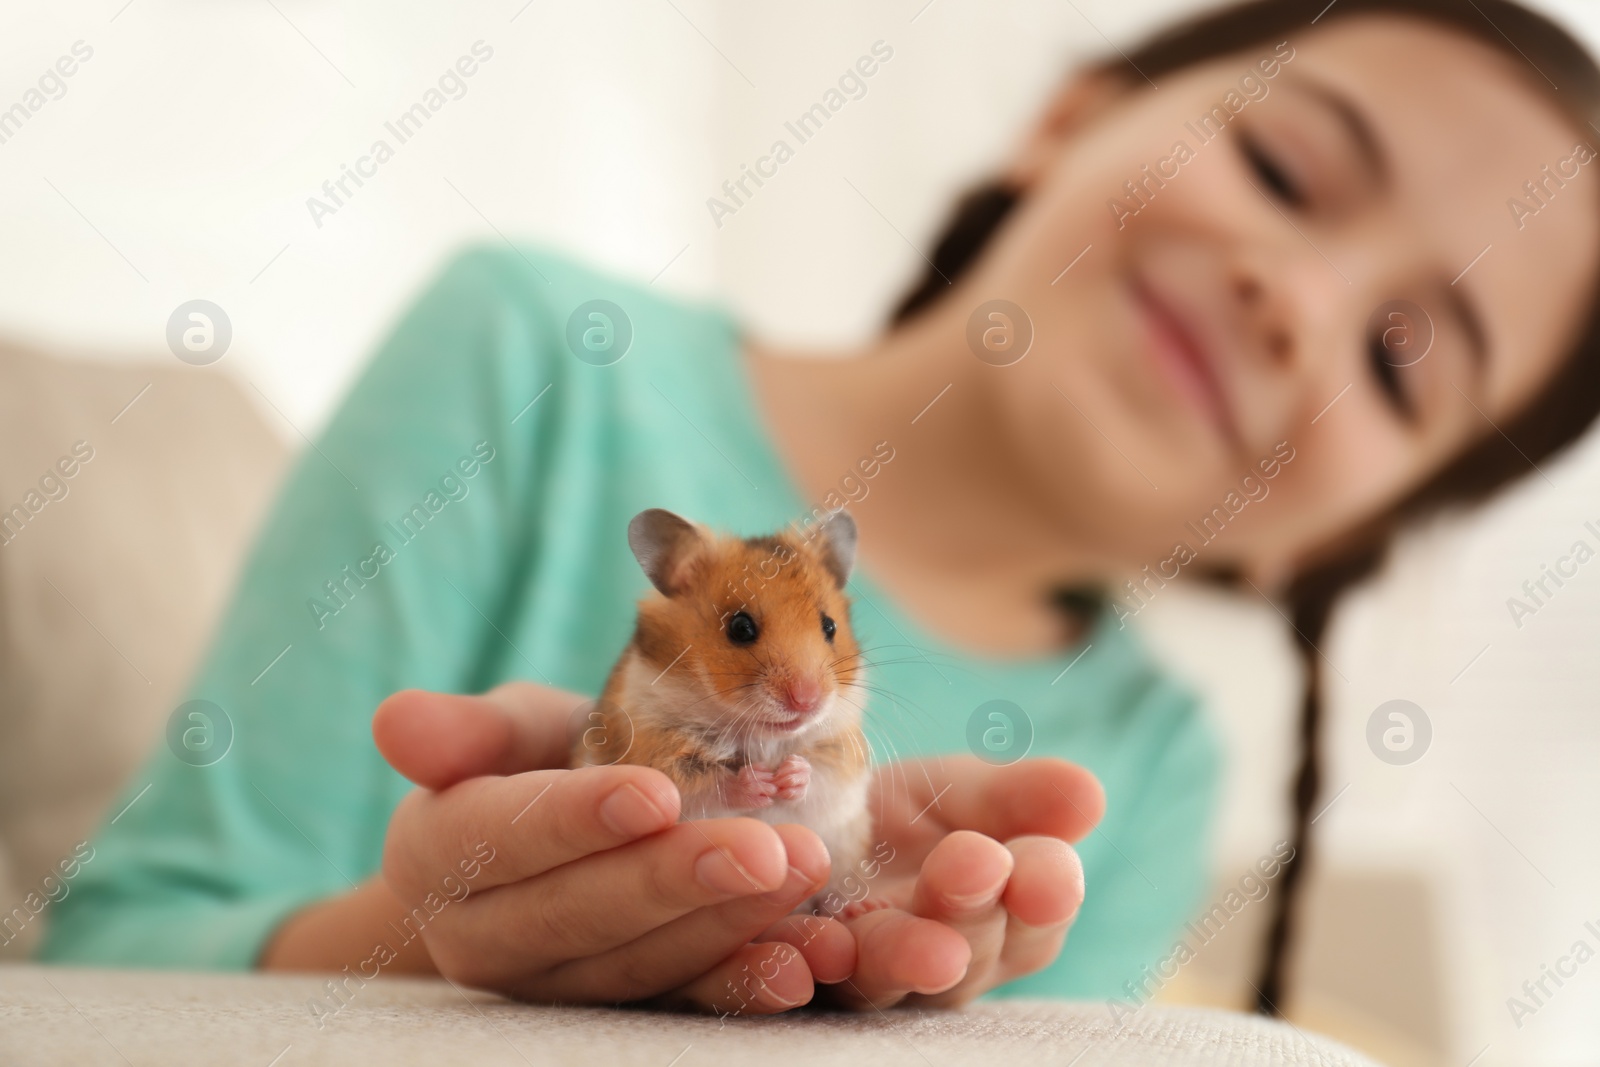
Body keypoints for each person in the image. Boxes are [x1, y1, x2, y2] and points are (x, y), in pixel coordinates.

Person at [40, 0, 1600, 1018]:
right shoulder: (534, 355)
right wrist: (433, 924)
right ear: (1074, 111)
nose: (1295, 301)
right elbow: (112, 962)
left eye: (1402, 360)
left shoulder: (1147, 768)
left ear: (1330, 547)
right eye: (1281, 163)